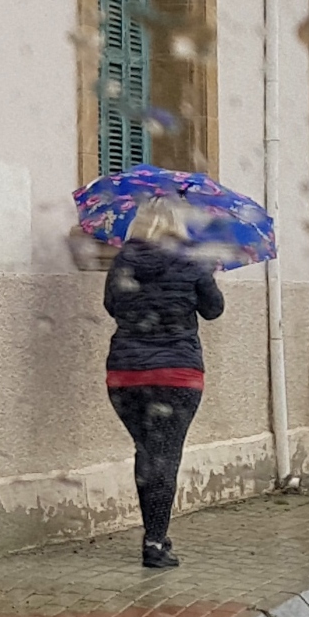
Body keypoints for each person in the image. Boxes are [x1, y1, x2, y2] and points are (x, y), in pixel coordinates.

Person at [104, 197, 224, 569]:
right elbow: (213, 309)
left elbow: (113, 306)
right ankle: (155, 543)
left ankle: (156, 534)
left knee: (147, 452)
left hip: (125, 373)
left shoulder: (124, 260)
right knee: (165, 456)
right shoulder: (192, 259)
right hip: (177, 372)